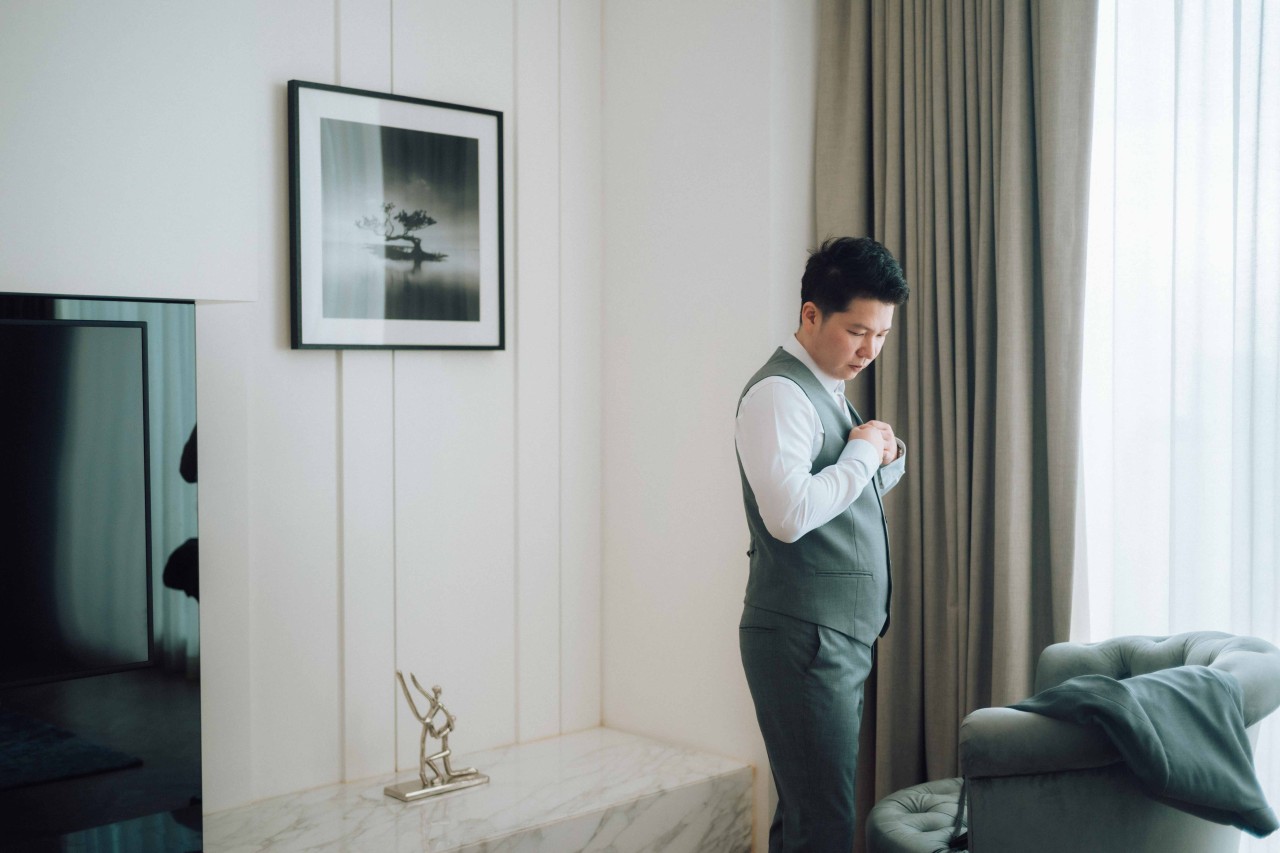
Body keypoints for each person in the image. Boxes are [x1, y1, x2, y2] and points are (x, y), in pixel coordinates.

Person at [735, 236, 909, 852]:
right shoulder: (778, 394)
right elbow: (789, 516)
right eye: (857, 331)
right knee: (824, 822)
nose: (870, 350)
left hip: (829, 633)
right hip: (804, 635)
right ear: (811, 314)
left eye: (882, 334)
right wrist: (861, 453)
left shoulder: (825, 384)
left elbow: (838, 499)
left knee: (810, 813)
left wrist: (881, 457)